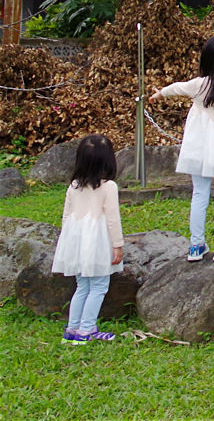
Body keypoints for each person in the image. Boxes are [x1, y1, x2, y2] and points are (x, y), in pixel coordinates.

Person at [150, 34, 214, 263]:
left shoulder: (199, 85)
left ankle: (196, 245)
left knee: (199, 193)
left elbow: (177, 87)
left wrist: (159, 93)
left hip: (199, 146)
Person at [52, 134, 124, 343]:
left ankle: (72, 329)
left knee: (82, 286)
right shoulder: (109, 187)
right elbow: (112, 219)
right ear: (109, 160)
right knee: (99, 286)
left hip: (76, 239)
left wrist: (68, 243)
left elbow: (66, 217)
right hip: (98, 240)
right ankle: (86, 330)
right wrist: (117, 245)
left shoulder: (74, 186)